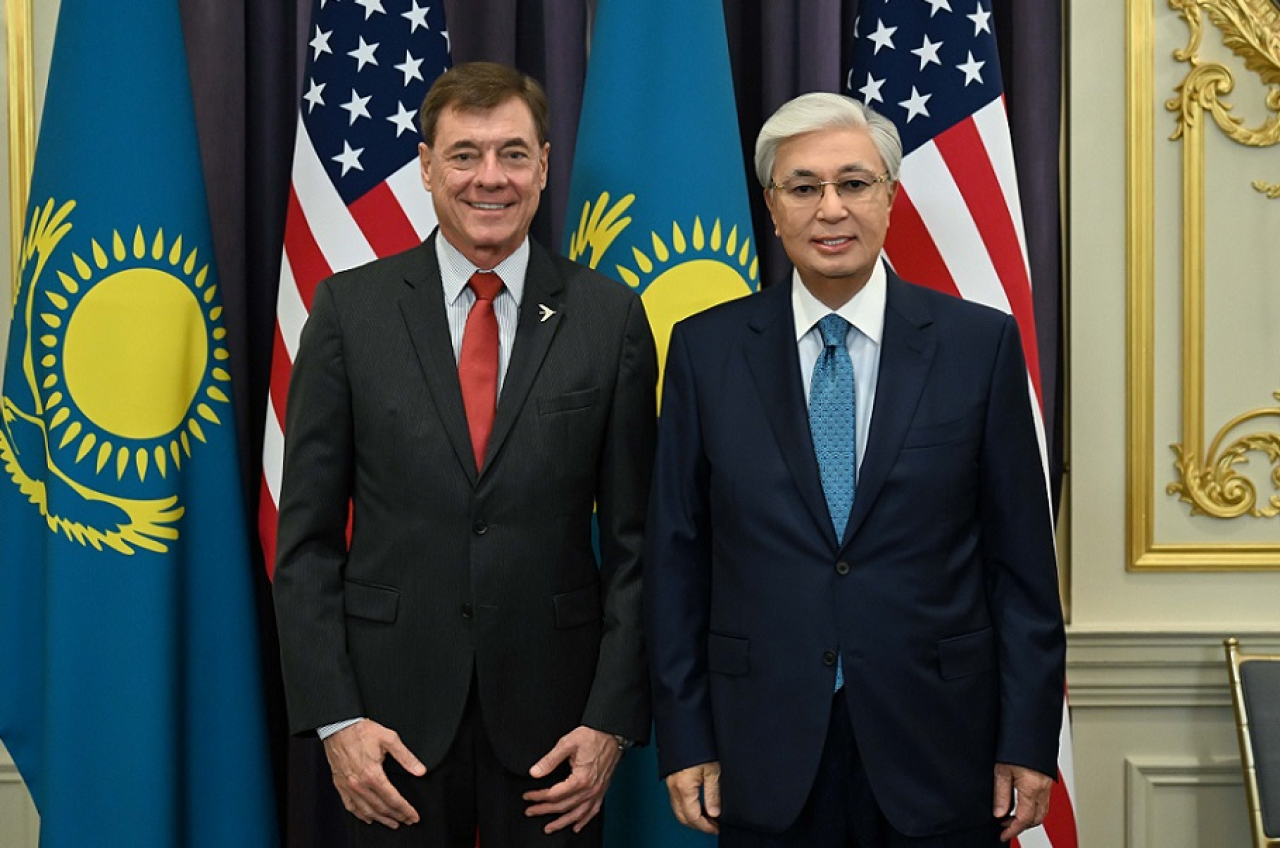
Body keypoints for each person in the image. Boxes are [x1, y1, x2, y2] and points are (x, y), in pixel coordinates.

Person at [644, 92, 1066, 847]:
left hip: (942, 748)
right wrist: (685, 736)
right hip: (761, 747)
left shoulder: (980, 347)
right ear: (772, 208)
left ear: (891, 197)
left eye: (854, 183)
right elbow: (677, 561)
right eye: (803, 187)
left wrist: (1028, 741)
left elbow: (1023, 567)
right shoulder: (705, 352)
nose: (830, 208)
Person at [273, 62, 656, 847]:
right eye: (464, 155)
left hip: (557, 729)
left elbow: (638, 547)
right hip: (387, 725)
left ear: (543, 165)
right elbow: (305, 544)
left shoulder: (609, 317)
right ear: (425, 166)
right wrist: (337, 719)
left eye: (513, 154)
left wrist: (609, 723)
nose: (491, 177)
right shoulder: (350, 311)